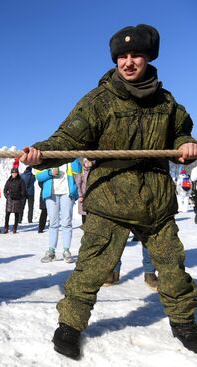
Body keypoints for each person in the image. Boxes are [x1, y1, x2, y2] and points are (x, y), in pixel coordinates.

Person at [21, 24, 197, 359]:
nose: (128, 63)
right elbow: (67, 139)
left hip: (156, 204)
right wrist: (41, 153)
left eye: (136, 55)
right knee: (92, 269)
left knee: (172, 266)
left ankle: (185, 323)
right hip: (109, 202)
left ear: (149, 57)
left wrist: (185, 143)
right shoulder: (98, 102)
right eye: (122, 57)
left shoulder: (167, 102)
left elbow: (181, 132)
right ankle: (69, 328)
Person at [36, 159, 81, 263]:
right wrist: (50, 172)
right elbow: (38, 176)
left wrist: (73, 155)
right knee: (53, 223)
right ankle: (51, 251)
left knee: (67, 222)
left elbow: (78, 169)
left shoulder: (69, 158)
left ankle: (66, 251)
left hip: (67, 193)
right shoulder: (48, 158)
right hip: (51, 194)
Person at [3, 168, 26, 233]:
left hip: (17, 200)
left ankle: (15, 227)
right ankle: (6, 227)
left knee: (17, 214)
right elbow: (5, 189)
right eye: (13, 173)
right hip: (10, 199)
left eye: (15, 173)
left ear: (17, 173)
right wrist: (7, 196)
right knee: (7, 214)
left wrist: (20, 196)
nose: (14, 174)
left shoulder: (21, 180)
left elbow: (23, 191)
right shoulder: (9, 180)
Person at [74, 158, 93, 224]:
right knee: (84, 214)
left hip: (93, 196)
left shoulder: (94, 171)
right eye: (86, 161)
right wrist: (80, 195)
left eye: (89, 161)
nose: (87, 163)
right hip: (84, 196)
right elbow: (78, 184)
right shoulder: (81, 172)